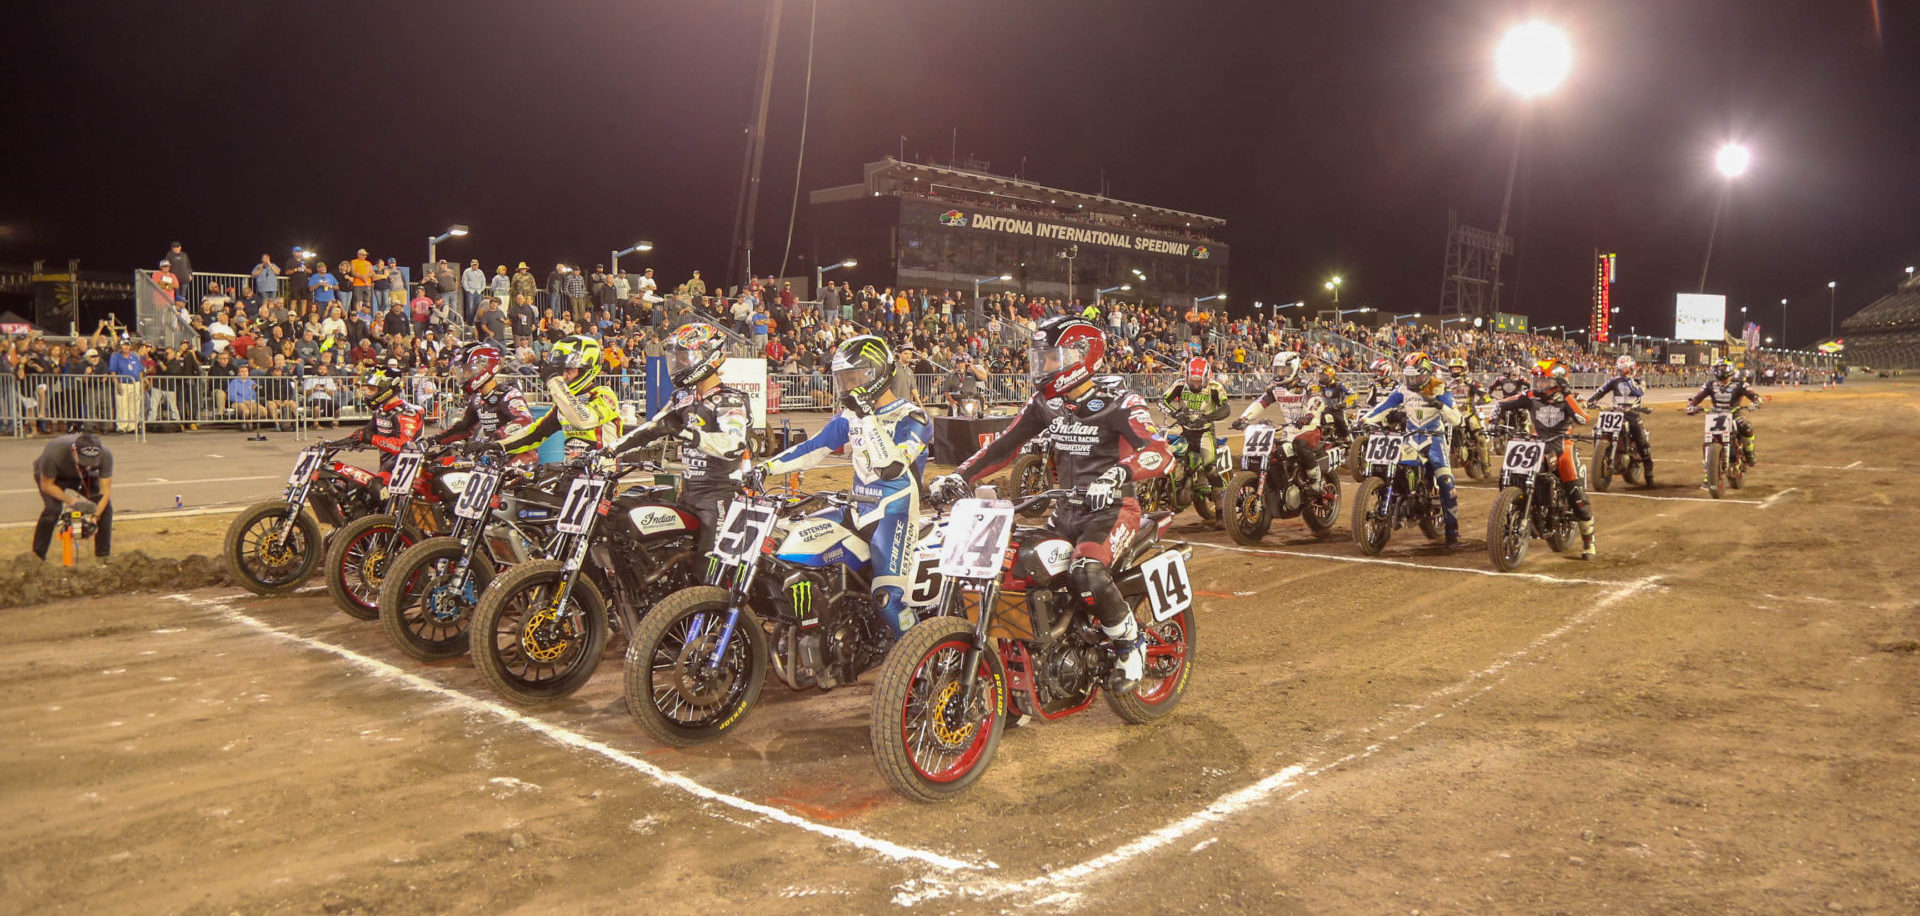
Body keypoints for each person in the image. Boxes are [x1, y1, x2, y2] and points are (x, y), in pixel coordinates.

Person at [928, 316, 1172, 690]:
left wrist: (1118, 475)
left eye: (1052, 358)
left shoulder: (1122, 402)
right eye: (1040, 358)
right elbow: (1003, 446)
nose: (1043, 366)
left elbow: (1159, 451)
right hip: (1064, 513)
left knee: (1086, 571)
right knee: (1014, 565)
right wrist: (960, 476)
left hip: (1113, 511)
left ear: (1082, 357)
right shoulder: (1047, 403)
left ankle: (1129, 644)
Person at [757, 335, 931, 650]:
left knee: (886, 598)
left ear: (874, 375)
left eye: (853, 379)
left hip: (895, 514)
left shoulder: (912, 417)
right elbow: (813, 447)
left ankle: (921, 657)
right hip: (854, 508)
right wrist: (765, 468)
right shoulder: (850, 417)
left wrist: (867, 418)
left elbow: (891, 467)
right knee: (799, 553)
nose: (847, 387)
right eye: (843, 380)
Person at [609, 323, 748, 556]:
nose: (680, 363)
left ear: (708, 356)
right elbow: (652, 428)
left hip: (720, 497)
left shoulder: (729, 401)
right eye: (677, 358)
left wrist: (687, 434)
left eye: (685, 357)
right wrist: (609, 450)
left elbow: (734, 445)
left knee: (709, 565)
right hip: (688, 492)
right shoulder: (682, 397)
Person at [1360, 356, 1464, 547]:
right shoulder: (1403, 388)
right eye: (1409, 377)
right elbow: (1384, 406)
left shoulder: (1439, 387)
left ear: (1425, 375)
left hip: (1434, 438)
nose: (1411, 381)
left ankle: (1452, 531)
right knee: (1395, 467)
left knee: (1446, 481)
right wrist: (1365, 420)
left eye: (1415, 377)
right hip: (1409, 438)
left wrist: (1440, 405)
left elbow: (1457, 419)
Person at [494, 334, 622, 460]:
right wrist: (498, 446)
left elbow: (583, 420)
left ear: (586, 369)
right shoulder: (564, 401)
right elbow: (536, 433)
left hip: (602, 474)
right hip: (573, 472)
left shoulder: (604, 395)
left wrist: (555, 382)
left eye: (569, 370)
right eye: (561, 371)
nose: (563, 376)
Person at [1233, 350, 1336, 487]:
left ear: (1294, 369)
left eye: (1283, 370)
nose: (1279, 374)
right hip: (1289, 430)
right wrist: (1243, 418)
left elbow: (1317, 401)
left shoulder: (1307, 385)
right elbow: (1260, 403)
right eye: (1277, 370)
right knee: (1274, 452)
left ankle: (1315, 479)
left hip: (1309, 428)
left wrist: (1309, 415)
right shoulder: (1275, 388)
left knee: (1300, 444)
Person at [429, 342, 538, 464]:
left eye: (467, 370)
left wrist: (491, 439)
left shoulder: (510, 395)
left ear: (484, 368)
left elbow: (525, 422)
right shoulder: (477, 399)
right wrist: (434, 440)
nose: (464, 375)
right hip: (493, 455)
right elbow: (464, 428)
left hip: (519, 456)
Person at [32, 432, 114, 561]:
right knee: (52, 510)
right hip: (54, 477)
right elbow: (46, 486)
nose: (89, 465)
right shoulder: (54, 454)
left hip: (82, 476)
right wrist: (72, 501)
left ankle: (103, 556)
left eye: (93, 462)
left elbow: (105, 491)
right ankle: (37, 557)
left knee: (105, 509)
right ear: (74, 451)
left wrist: (94, 517)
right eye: (85, 461)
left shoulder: (106, 455)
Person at [322, 366, 424, 471]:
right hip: (387, 469)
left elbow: (404, 446)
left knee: (373, 485)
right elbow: (363, 434)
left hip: (407, 473)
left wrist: (372, 439)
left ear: (386, 389)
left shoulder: (406, 413)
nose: (368, 394)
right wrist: (332, 445)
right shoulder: (381, 410)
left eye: (372, 389)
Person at [1161, 356, 1231, 495]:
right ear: (1187, 376)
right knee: (1166, 451)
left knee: (1210, 469)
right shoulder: (1180, 384)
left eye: (1199, 381)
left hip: (1205, 433)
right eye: (1193, 381)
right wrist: (1175, 413)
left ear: (1206, 377)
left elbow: (1226, 408)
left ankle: (1221, 510)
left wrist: (1207, 418)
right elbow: (1162, 401)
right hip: (1183, 430)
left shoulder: (1215, 387)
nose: (1196, 385)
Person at [1586, 355, 1655, 487]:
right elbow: (1600, 392)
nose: (1623, 371)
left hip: (1632, 413)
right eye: (1621, 369)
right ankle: (1601, 455)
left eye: (1625, 368)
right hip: (1616, 413)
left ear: (1631, 368)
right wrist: (1588, 402)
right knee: (1597, 429)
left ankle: (1649, 472)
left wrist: (1629, 379)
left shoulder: (1639, 381)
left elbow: (1638, 392)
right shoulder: (1614, 381)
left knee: (1641, 440)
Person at [1686, 359, 1763, 471]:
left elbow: (1753, 395)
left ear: (1730, 369)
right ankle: (1708, 469)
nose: (1720, 371)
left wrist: (1756, 402)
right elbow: (1698, 396)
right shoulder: (1710, 384)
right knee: (1709, 440)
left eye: (1723, 368)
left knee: (1747, 428)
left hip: (1734, 414)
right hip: (1715, 416)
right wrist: (1691, 405)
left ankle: (1749, 451)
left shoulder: (1740, 384)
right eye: (1718, 368)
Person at [941, 351, 991, 417]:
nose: (960, 365)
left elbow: (983, 377)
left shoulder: (972, 374)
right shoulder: (951, 376)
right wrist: (952, 401)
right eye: (958, 364)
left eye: (962, 363)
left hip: (972, 399)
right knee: (953, 413)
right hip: (958, 400)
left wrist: (973, 368)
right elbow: (946, 391)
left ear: (965, 364)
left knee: (980, 400)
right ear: (955, 365)